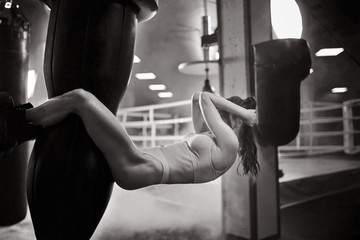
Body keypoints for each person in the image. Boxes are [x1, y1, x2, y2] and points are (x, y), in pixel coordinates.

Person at [0, 89, 258, 190]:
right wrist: (240, 112)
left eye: (230, 115)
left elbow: (205, 98)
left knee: (81, 98)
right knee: (77, 112)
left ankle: (14, 121)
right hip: (137, 161)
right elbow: (195, 98)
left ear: (238, 122)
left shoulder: (230, 147)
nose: (224, 116)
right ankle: (21, 125)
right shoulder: (213, 138)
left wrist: (245, 113)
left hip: (136, 164)